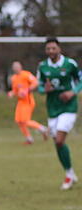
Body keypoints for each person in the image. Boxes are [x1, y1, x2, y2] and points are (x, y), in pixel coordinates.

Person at [37, 37, 82, 190]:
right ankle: (70, 172)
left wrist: (73, 92)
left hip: (68, 107)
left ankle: (68, 176)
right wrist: (45, 89)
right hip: (53, 108)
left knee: (60, 141)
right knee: (57, 143)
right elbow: (40, 87)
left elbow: (80, 80)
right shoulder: (42, 67)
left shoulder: (70, 64)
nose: (51, 51)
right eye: (48, 49)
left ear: (59, 49)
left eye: (53, 48)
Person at [8, 61, 48, 145]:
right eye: (14, 67)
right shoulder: (14, 78)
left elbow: (35, 82)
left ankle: (43, 128)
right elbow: (15, 90)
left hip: (28, 101)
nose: (16, 68)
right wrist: (12, 93)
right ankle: (29, 139)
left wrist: (27, 90)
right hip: (20, 102)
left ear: (21, 67)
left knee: (25, 121)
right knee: (19, 121)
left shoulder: (26, 74)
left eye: (17, 67)